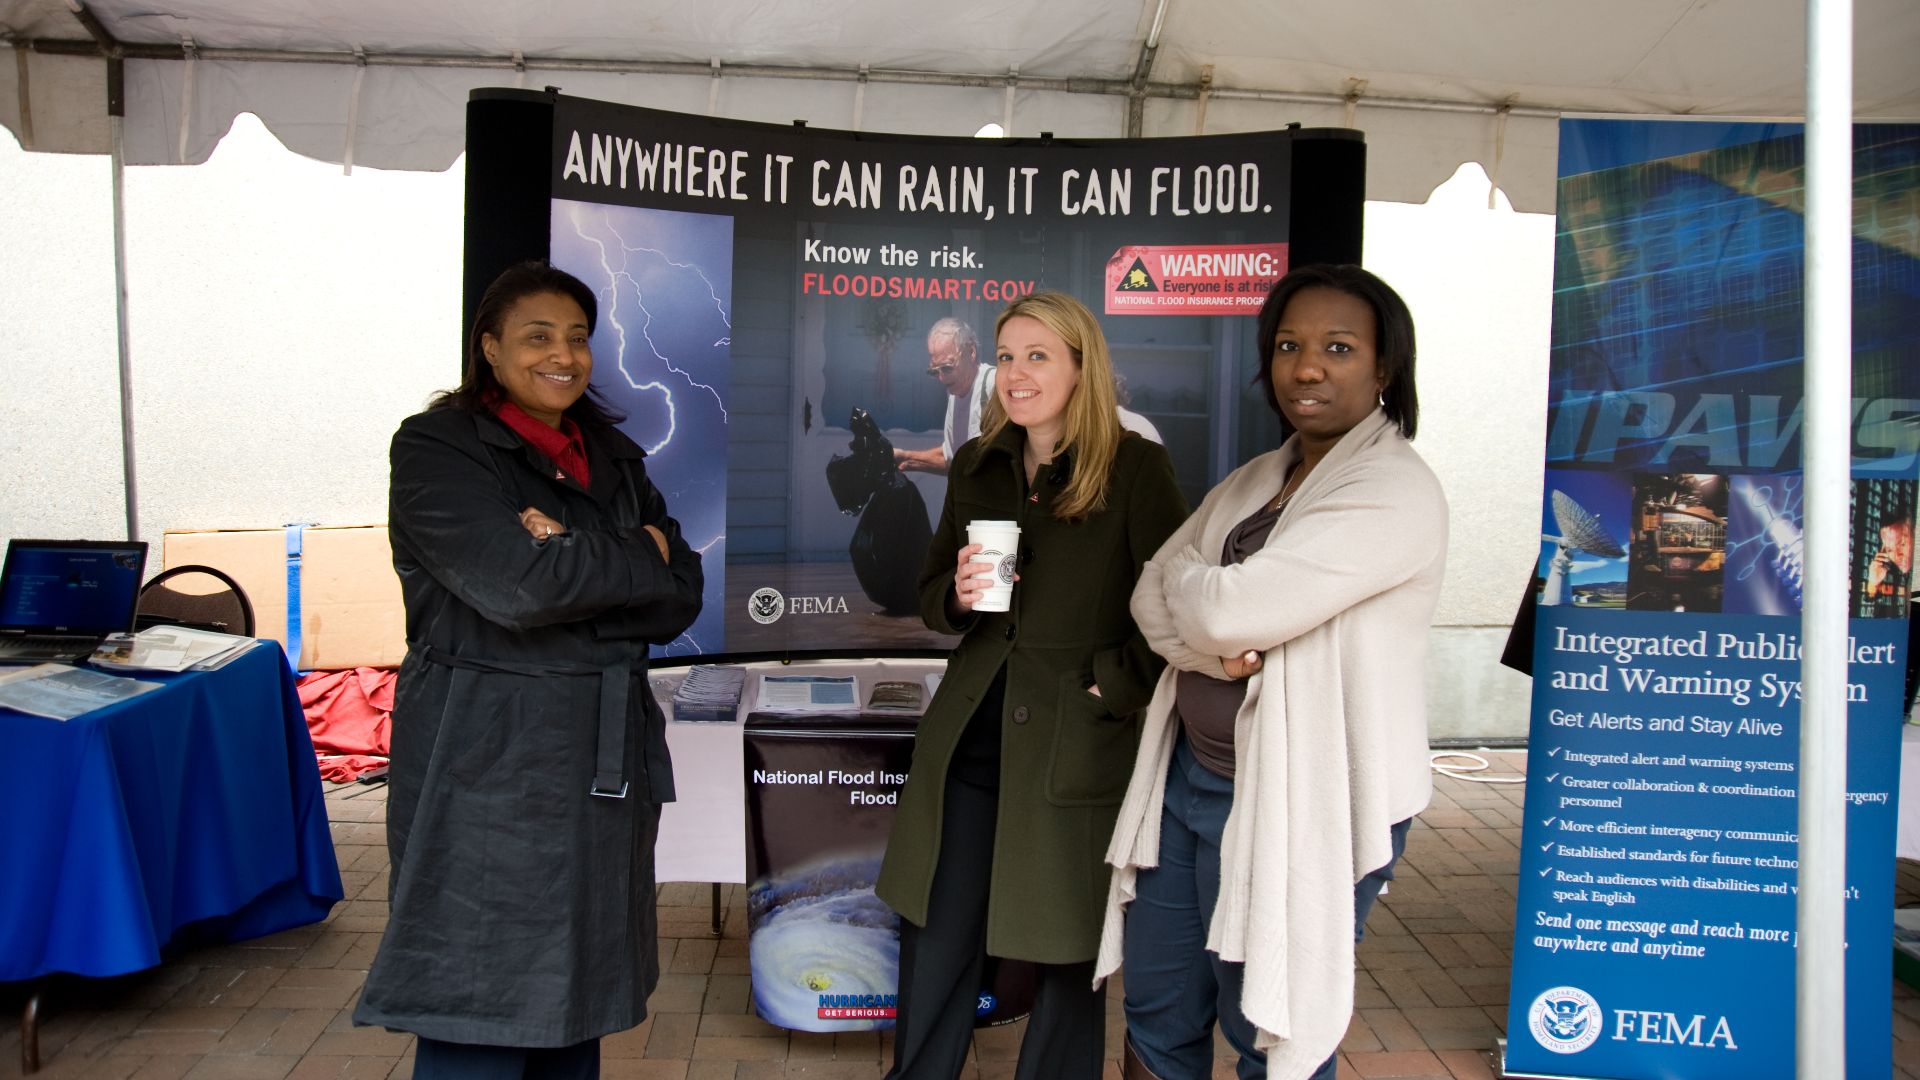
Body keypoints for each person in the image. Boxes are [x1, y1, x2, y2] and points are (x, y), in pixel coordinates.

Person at [353, 260, 704, 1079]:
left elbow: (678, 594)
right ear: (490, 349)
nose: (564, 355)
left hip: (594, 763)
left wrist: (575, 554)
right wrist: (631, 555)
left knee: (577, 996)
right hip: (488, 764)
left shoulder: (611, 455)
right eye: (537, 336)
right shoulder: (440, 450)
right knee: (479, 998)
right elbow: (515, 588)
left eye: (578, 338)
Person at [1097, 265, 1449, 1080]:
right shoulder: (1260, 476)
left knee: (1266, 1018)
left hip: (1300, 799)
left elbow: (1216, 608)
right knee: (1157, 1006)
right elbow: (1153, 592)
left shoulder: (1394, 491)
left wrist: (1203, 601)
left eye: (1338, 347)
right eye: (1289, 346)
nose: (1308, 367)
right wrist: (1206, 632)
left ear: (1385, 367)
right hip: (1188, 781)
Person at [875, 291, 1190, 1079]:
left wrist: (1112, 688)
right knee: (938, 935)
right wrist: (954, 590)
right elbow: (932, 600)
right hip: (971, 739)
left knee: (1065, 951)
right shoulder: (980, 464)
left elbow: (1179, 606)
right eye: (1008, 357)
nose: (1016, 374)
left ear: (1083, 367)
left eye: (1038, 356)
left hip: (1071, 745)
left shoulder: (1136, 466)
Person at [895, 317, 995, 474]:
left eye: (947, 368)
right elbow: (952, 460)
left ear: (971, 352)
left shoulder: (994, 385)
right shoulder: (954, 395)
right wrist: (906, 457)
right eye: (935, 371)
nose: (941, 378)